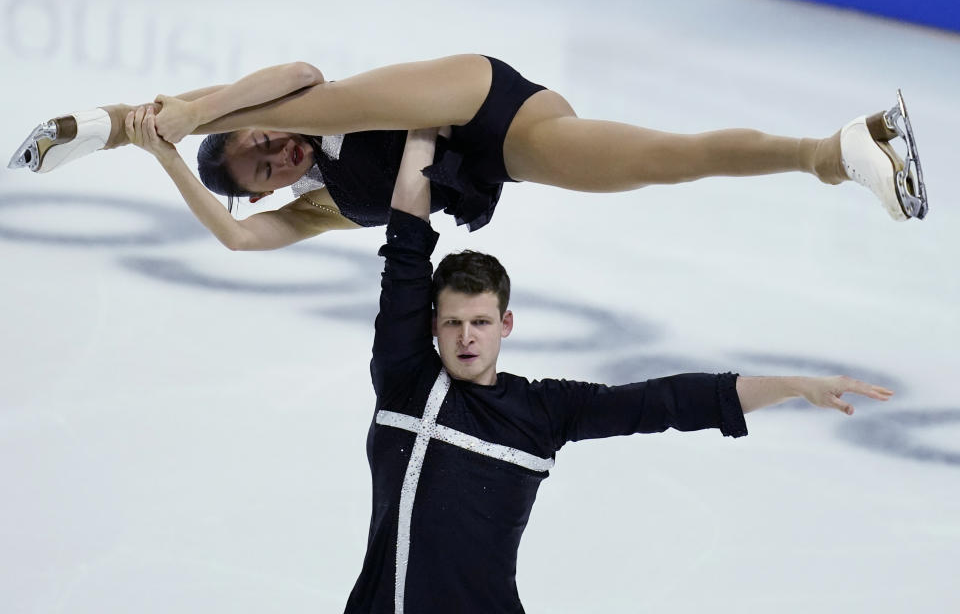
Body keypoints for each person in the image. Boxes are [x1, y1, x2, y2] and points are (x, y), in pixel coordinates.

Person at [347, 125, 893, 612]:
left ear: (506, 323)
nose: (467, 337)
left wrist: (797, 385)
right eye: (454, 323)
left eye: (482, 323)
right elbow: (406, 249)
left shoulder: (540, 412)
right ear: (433, 326)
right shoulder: (407, 380)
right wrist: (420, 125)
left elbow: (666, 402)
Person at [8, 55, 927, 253]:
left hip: (467, 93)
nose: (273, 151)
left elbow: (296, 70)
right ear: (265, 191)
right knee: (664, 161)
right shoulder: (316, 207)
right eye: (262, 167)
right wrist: (169, 159)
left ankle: (99, 124)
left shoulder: (290, 107)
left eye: (255, 144)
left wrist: (177, 122)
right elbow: (238, 245)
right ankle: (839, 152)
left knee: (317, 100)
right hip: (511, 147)